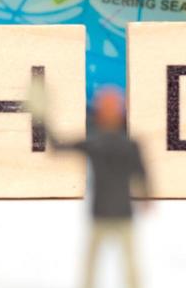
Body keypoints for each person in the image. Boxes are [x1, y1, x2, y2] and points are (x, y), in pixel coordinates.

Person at [44, 85, 151, 288]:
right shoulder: (99, 144)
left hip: (118, 212)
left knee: (126, 264)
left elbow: (142, 173)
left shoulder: (119, 145)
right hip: (105, 212)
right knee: (95, 264)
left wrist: (146, 196)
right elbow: (58, 147)